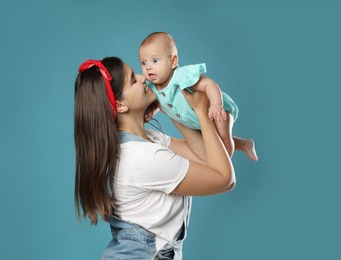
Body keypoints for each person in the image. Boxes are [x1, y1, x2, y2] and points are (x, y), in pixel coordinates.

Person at [74, 57, 235, 259]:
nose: (143, 78)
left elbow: (206, 156)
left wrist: (169, 104)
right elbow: (224, 178)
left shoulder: (147, 140)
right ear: (120, 105)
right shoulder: (141, 157)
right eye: (133, 79)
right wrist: (201, 112)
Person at [139, 32, 259, 161]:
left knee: (223, 139)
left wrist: (216, 105)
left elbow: (209, 84)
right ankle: (244, 144)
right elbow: (158, 103)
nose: (148, 67)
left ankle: (225, 166)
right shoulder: (152, 88)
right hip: (197, 122)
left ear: (173, 61)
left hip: (215, 112)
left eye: (155, 60)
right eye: (143, 63)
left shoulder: (181, 76)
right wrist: (150, 111)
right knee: (213, 144)